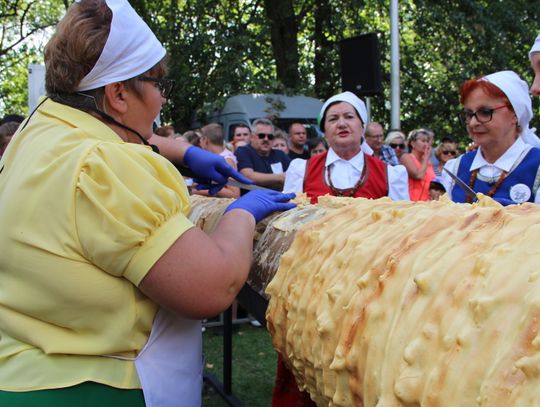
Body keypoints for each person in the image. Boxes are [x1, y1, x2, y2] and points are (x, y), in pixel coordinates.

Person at [0, 1, 296, 406]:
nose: (162, 102)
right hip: (94, 390)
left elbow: (102, 131)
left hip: (23, 379)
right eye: (159, 85)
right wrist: (241, 214)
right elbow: (211, 287)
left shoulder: (37, 132)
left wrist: (183, 153)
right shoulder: (107, 165)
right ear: (118, 92)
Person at [283, 92, 409, 202]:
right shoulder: (301, 171)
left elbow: (403, 223)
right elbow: (288, 221)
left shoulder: (390, 175)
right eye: (333, 119)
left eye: (349, 117)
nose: (342, 124)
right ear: (325, 131)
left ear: (362, 126)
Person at [441, 70, 540, 205]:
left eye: (485, 112)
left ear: (515, 114)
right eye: (469, 114)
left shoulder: (536, 166)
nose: (473, 123)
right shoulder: (456, 167)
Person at [235, 118, 291, 191]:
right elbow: (248, 176)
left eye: (270, 136)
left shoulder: (279, 154)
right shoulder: (243, 152)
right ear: (252, 137)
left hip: (279, 199)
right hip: (253, 200)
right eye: (261, 136)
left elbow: (294, 174)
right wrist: (280, 178)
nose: (266, 139)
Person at [195, 123, 240, 198]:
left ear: (206, 140)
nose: (200, 142)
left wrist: (198, 190)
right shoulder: (219, 157)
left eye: (201, 139)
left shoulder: (226, 160)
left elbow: (234, 194)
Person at [399, 128, 436, 201]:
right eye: (423, 141)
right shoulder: (406, 157)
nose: (426, 144)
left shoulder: (428, 162)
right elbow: (418, 175)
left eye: (427, 141)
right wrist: (426, 158)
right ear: (412, 143)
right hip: (412, 204)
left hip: (428, 204)